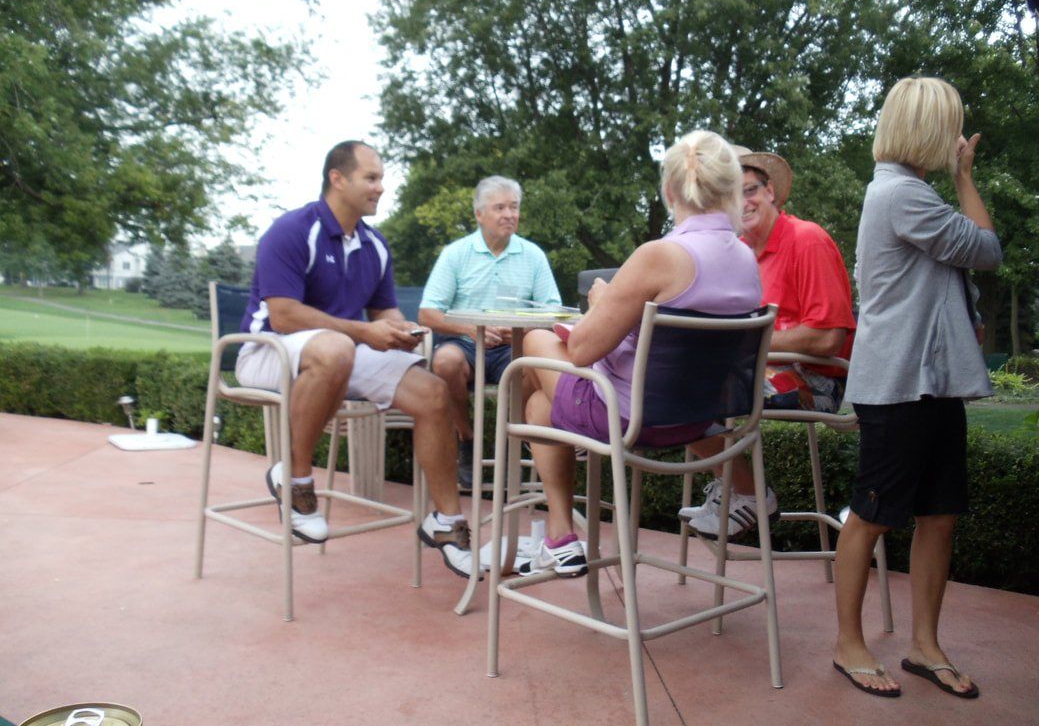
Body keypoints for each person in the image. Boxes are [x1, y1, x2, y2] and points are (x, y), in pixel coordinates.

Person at [518, 130, 762, 576]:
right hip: (697, 418)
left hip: (631, 419)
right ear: (732, 189)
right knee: (540, 406)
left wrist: (601, 303)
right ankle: (560, 537)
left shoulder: (661, 255)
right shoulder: (746, 260)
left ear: (669, 192)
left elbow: (582, 350)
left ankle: (554, 496)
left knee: (534, 342)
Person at [236, 140, 476, 578]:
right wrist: (365, 332)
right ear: (338, 179)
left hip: (338, 356)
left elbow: (382, 312)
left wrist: (400, 330)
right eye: (371, 177)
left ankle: (447, 522)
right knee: (337, 348)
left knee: (433, 392)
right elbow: (283, 315)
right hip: (266, 351)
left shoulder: (374, 244)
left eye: (381, 178)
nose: (381, 187)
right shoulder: (291, 230)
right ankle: (296, 480)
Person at [833, 77, 1000, 697]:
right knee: (871, 516)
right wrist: (964, 176)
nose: (956, 138)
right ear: (929, 130)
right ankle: (848, 644)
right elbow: (986, 249)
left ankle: (925, 647)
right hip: (898, 384)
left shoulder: (905, 193)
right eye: (950, 126)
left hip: (931, 381)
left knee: (940, 515)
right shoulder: (902, 195)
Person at [679, 146, 856, 539]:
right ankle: (736, 490)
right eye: (730, 196)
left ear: (771, 191)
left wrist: (746, 343)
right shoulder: (739, 254)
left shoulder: (806, 239)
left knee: (683, 388)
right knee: (666, 377)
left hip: (819, 381)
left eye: (750, 190)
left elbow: (829, 337)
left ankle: (749, 494)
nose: (742, 203)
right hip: (762, 369)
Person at [418, 176, 562, 487]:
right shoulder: (456, 254)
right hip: (465, 343)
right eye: (500, 208)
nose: (510, 214)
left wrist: (520, 331)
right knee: (445, 362)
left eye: (514, 207)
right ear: (479, 214)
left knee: (536, 366)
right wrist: (471, 329)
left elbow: (553, 312)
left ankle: (514, 441)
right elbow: (427, 313)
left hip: (513, 346)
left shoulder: (533, 255)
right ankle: (467, 440)